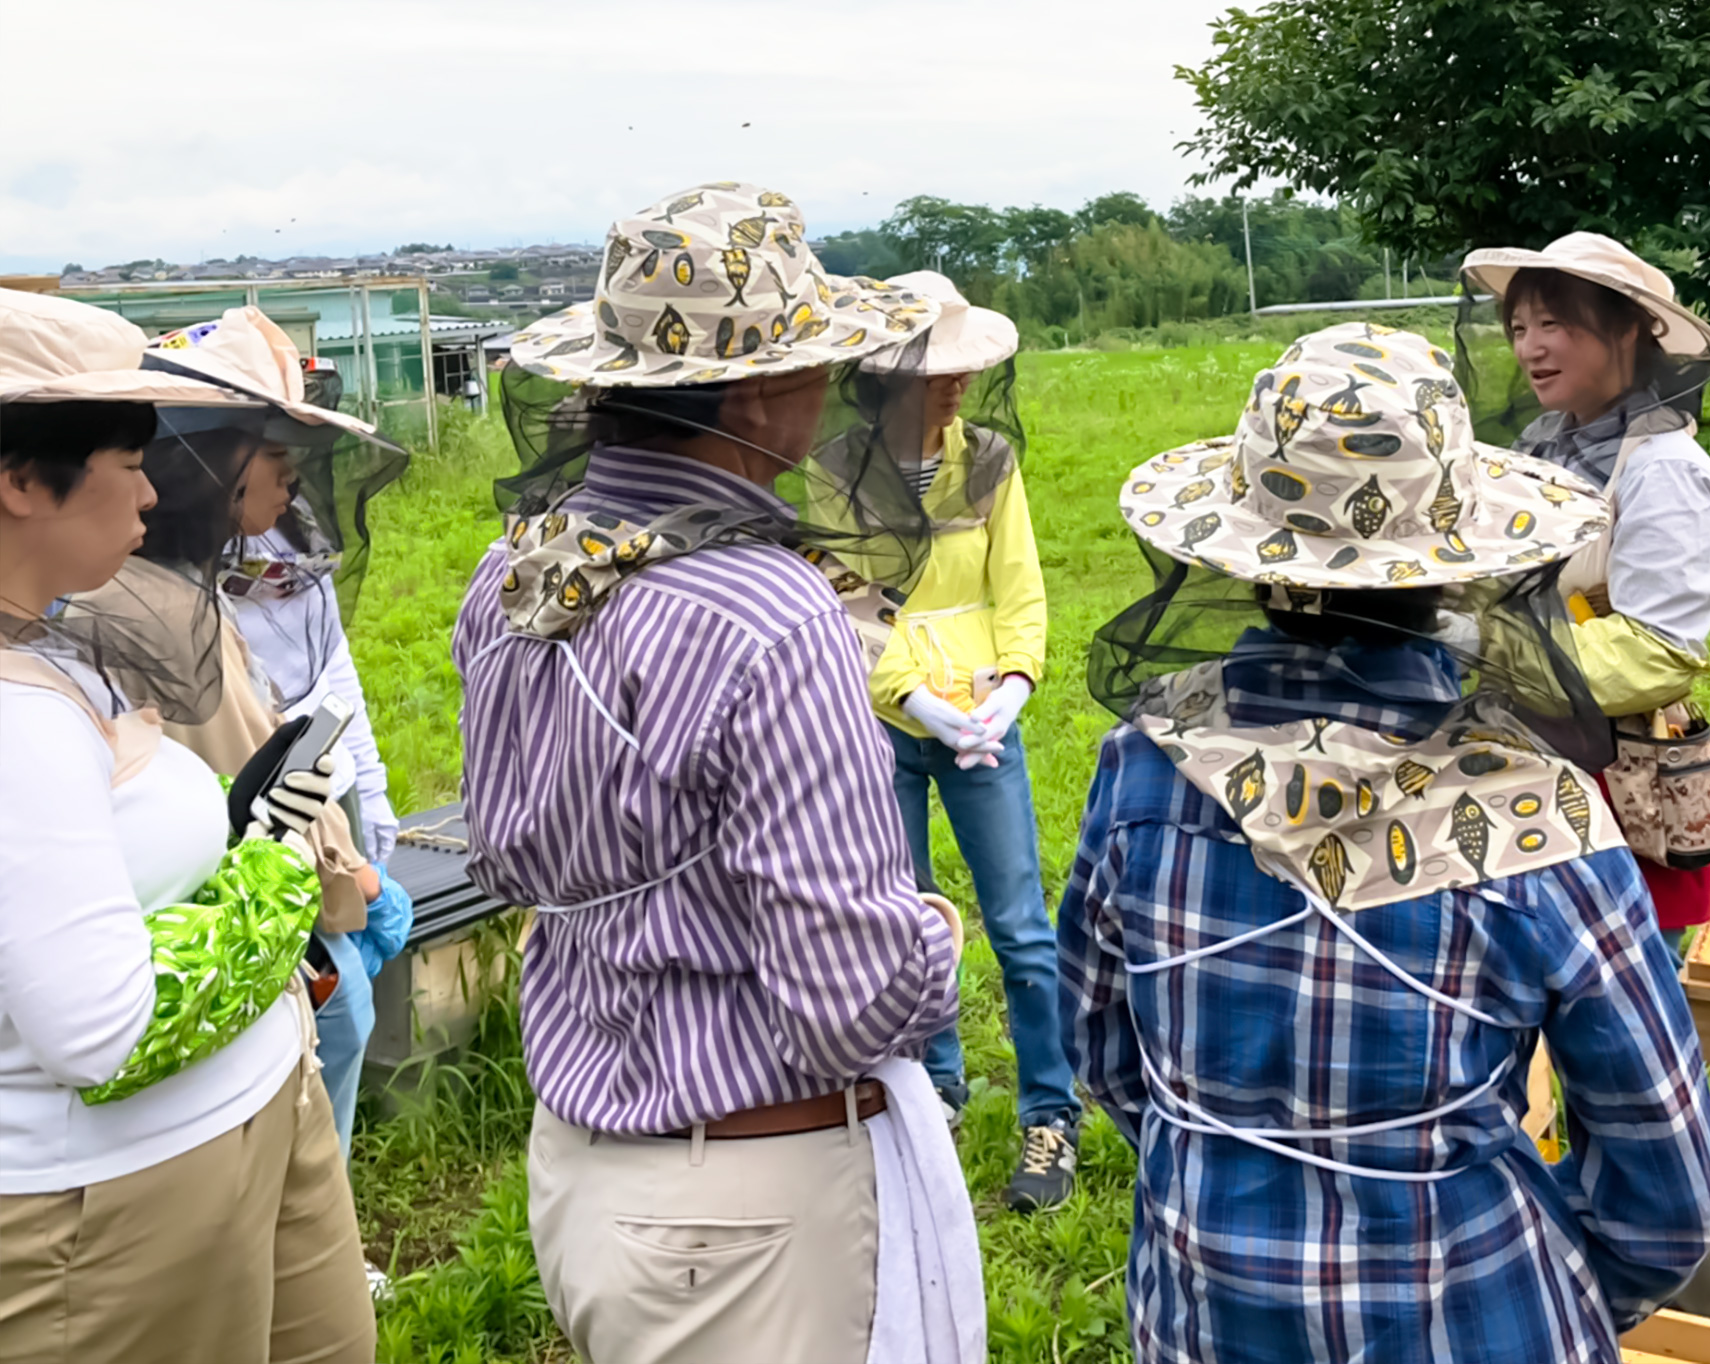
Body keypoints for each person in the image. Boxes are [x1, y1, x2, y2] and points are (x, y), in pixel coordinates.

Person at [1059, 324, 1710, 1363]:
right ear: (1452, 569)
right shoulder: (1532, 812)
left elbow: (1102, 1053)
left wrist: (1241, 1171)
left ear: (1246, 552)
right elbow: (1668, 1186)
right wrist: (1544, 1280)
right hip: (1471, 1316)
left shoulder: (1140, 769)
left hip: (1198, 1312)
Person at [453, 184, 981, 1364]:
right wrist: (933, 935)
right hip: (744, 1206)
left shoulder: (515, 571)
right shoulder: (771, 613)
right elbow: (845, 996)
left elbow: (505, 849)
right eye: (812, 362)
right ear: (756, 391)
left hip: (584, 1164)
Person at [0, 289, 375, 1360]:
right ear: (23, 479)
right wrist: (269, 868)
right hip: (121, 1206)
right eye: (129, 455)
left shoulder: (53, 640)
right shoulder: (15, 717)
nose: (156, 489)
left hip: (232, 1128)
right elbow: (103, 1028)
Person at [139, 308, 416, 1177]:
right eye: (274, 452)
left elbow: (333, 700)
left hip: (289, 877)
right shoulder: (164, 613)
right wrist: (342, 875)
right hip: (251, 898)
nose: (293, 476)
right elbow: (240, 781)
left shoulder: (271, 567)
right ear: (207, 462)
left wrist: (370, 819)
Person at [831, 269, 1081, 1211]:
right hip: (879, 723)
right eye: (930, 365)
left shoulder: (989, 461)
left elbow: (1020, 585)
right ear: (882, 369)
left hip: (981, 718)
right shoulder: (836, 471)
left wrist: (1014, 684)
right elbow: (842, 602)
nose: (952, 382)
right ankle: (935, 1088)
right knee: (909, 918)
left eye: (959, 365)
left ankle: (1049, 1112)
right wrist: (907, 695)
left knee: (1020, 928)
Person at [1461, 233, 1710, 967]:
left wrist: (1488, 651)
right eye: (1519, 328)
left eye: (1555, 324)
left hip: (1620, 787)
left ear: (1625, 330)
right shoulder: (1542, 449)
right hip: (1526, 763)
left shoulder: (1665, 471)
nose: (1531, 348)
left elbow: (1660, 651)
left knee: (1622, 1017)